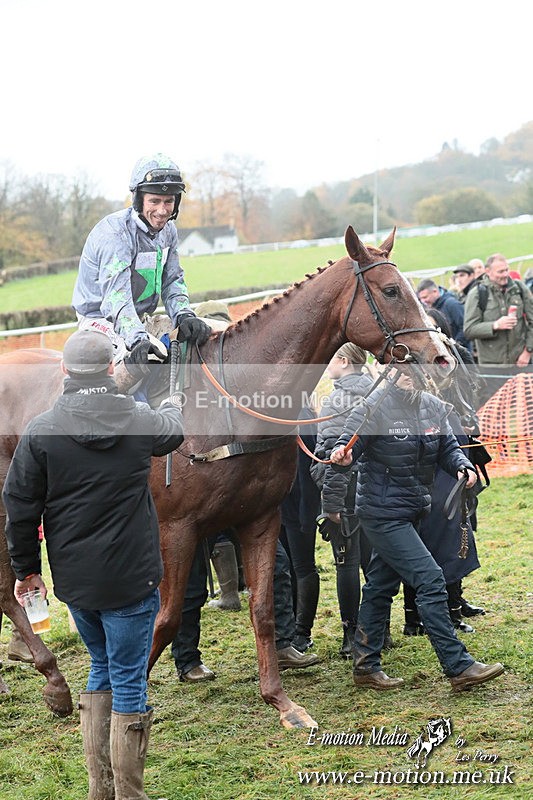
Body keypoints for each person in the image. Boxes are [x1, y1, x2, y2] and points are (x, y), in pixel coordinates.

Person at [2, 329, 185, 800]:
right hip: (133, 577)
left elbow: (20, 507)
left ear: (65, 372)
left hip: (76, 582)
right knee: (126, 675)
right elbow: (174, 430)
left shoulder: (41, 431)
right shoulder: (138, 419)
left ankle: (99, 789)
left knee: (101, 664)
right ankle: (128, 793)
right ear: (110, 370)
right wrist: (172, 393)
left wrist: (26, 569)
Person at [330, 368, 504, 692]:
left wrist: (464, 467)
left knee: (380, 585)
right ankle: (458, 666)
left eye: (415, 369)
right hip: (381, 515)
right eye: (402, 369)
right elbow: (346, 445)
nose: (409, 374)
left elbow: (449, 449)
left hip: (413, 511)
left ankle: (365, 665)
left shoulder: (432, 406)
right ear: (389, 370)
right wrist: (343, 454)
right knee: (430, 578)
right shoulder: (372, 407)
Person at [72, 152, 211, 388]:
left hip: (138, 319)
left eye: (169, 202)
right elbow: (116, 299)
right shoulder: (115, 234)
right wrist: (137, 339)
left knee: (203, 340)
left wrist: (184, 315)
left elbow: (172, 280)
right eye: (154, 201)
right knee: (140, 367)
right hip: (101, 320)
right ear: (138, 200)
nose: (162, 210)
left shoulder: (168, 232)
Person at [310, 343, 379, 658]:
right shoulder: (377, 392)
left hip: (347, 491)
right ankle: (379, 628)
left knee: (346, 563)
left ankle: (351, 634)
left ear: (342, 361)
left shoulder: (336, 400)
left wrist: (330, 501)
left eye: (330, 359)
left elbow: (332, 458)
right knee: (372, 560)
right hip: (376, 489)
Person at [279, 405, 321, 654]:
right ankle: (288, 628)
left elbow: (307, 468)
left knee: (303, 566)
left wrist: (308, 512)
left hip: (298, 505)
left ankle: (302, 631)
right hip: (279, 504)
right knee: (285, 569)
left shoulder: (302, 416)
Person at [463, 253, 533, 401]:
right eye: (500, 271)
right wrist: (495, 325)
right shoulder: (477, 293)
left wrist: (528, 351)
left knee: (526, 411)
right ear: (488, 272)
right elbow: (469, 330)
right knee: (497, 414)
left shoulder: (519, 289)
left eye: (506, 270)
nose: (505, 275)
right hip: (493, 369)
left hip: (521, 365)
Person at [416, 278, 469, 349]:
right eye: (421, 299)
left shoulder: (452, 304)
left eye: (425, 297)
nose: (423, 301)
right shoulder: (430, 307)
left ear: (435, 291)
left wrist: (455, 346)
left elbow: (464, 327)